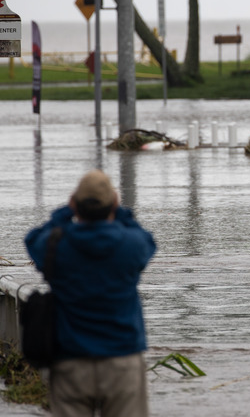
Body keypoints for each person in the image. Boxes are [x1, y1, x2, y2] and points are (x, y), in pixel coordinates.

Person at [25, 170, 157, 417]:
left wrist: (64, 213)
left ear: (75, 204)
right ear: (113, 203)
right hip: (122, 358)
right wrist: (121, 212)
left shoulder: (56, 245)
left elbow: (32, 239)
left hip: (70, 361)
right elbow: (148, 240)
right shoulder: (131, 245)